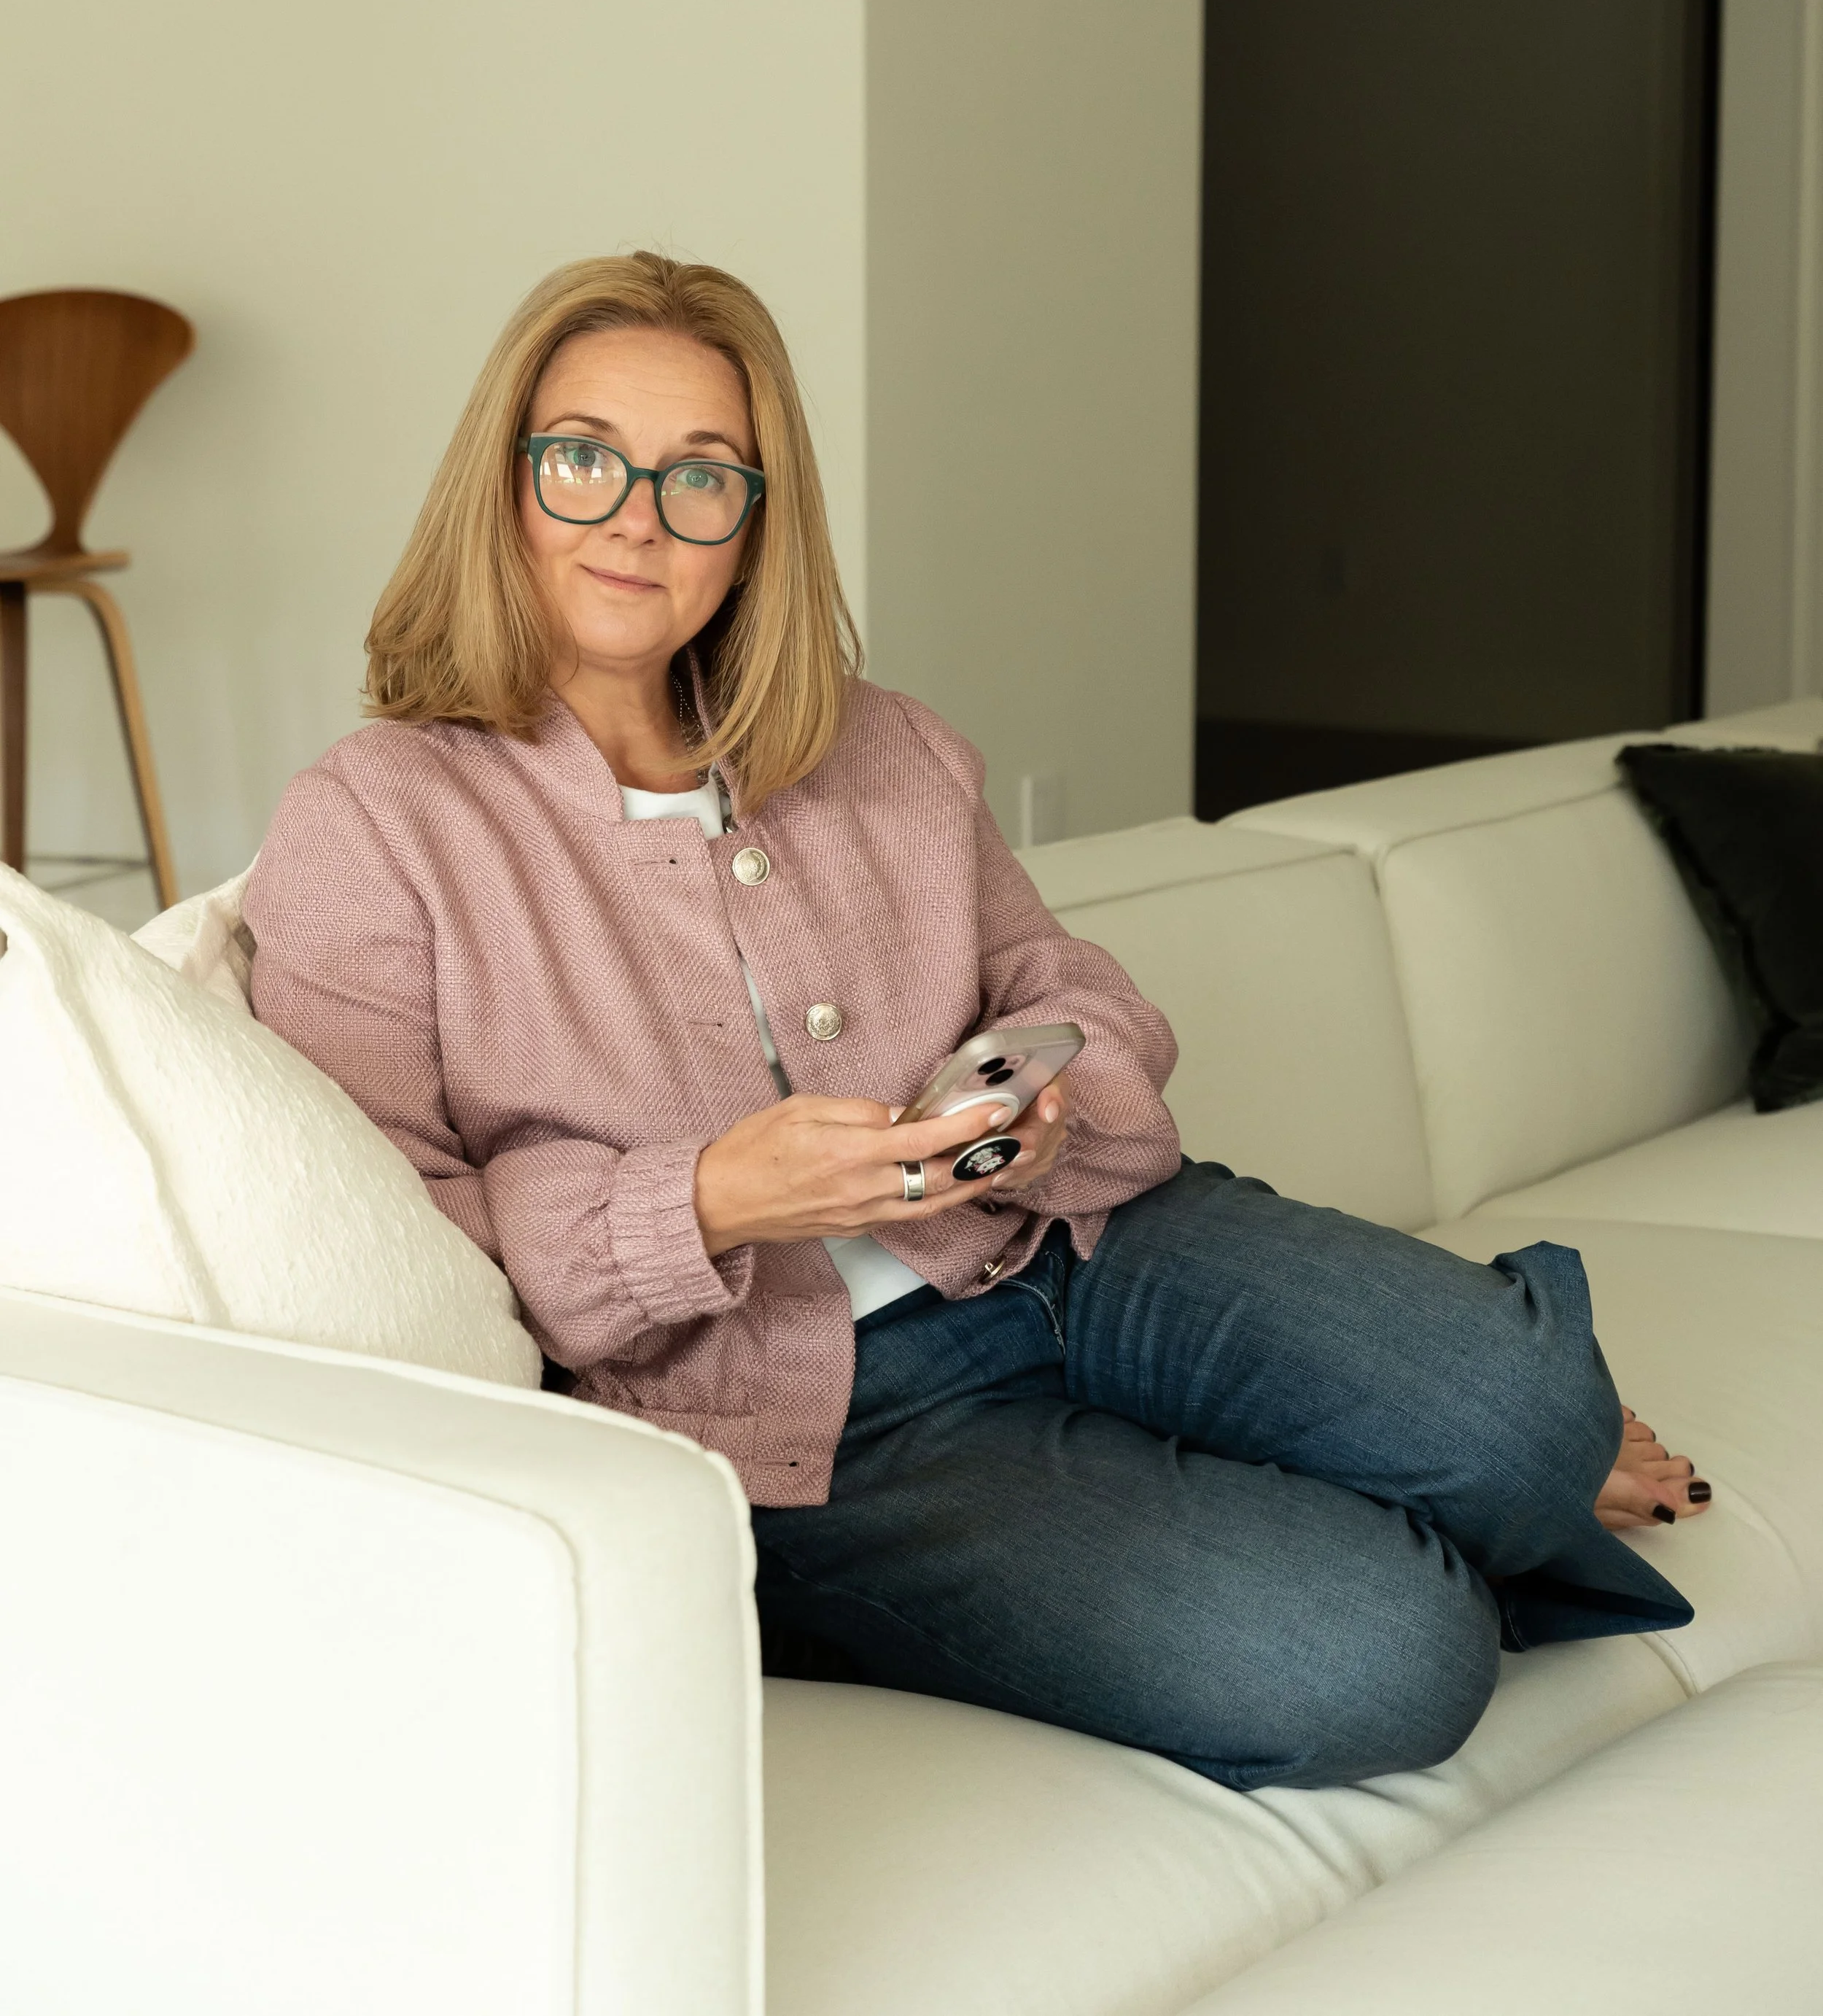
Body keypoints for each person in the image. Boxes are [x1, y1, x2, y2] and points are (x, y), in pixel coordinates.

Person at [248, 251, 1706, 1794]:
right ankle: (1364, 1517)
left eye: (700, 477)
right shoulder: (373, 822)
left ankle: (1488, 1471)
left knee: (1530, 1409)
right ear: (506, 479)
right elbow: (391, 1241)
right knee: (1383, 1659)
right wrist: (708, 1200)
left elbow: (1067, 990)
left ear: (755, 525)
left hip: (1080, 1243)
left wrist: (1046, 1096)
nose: (636, 520)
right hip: (817, 1427)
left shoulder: (881, 745)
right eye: (584, 458)